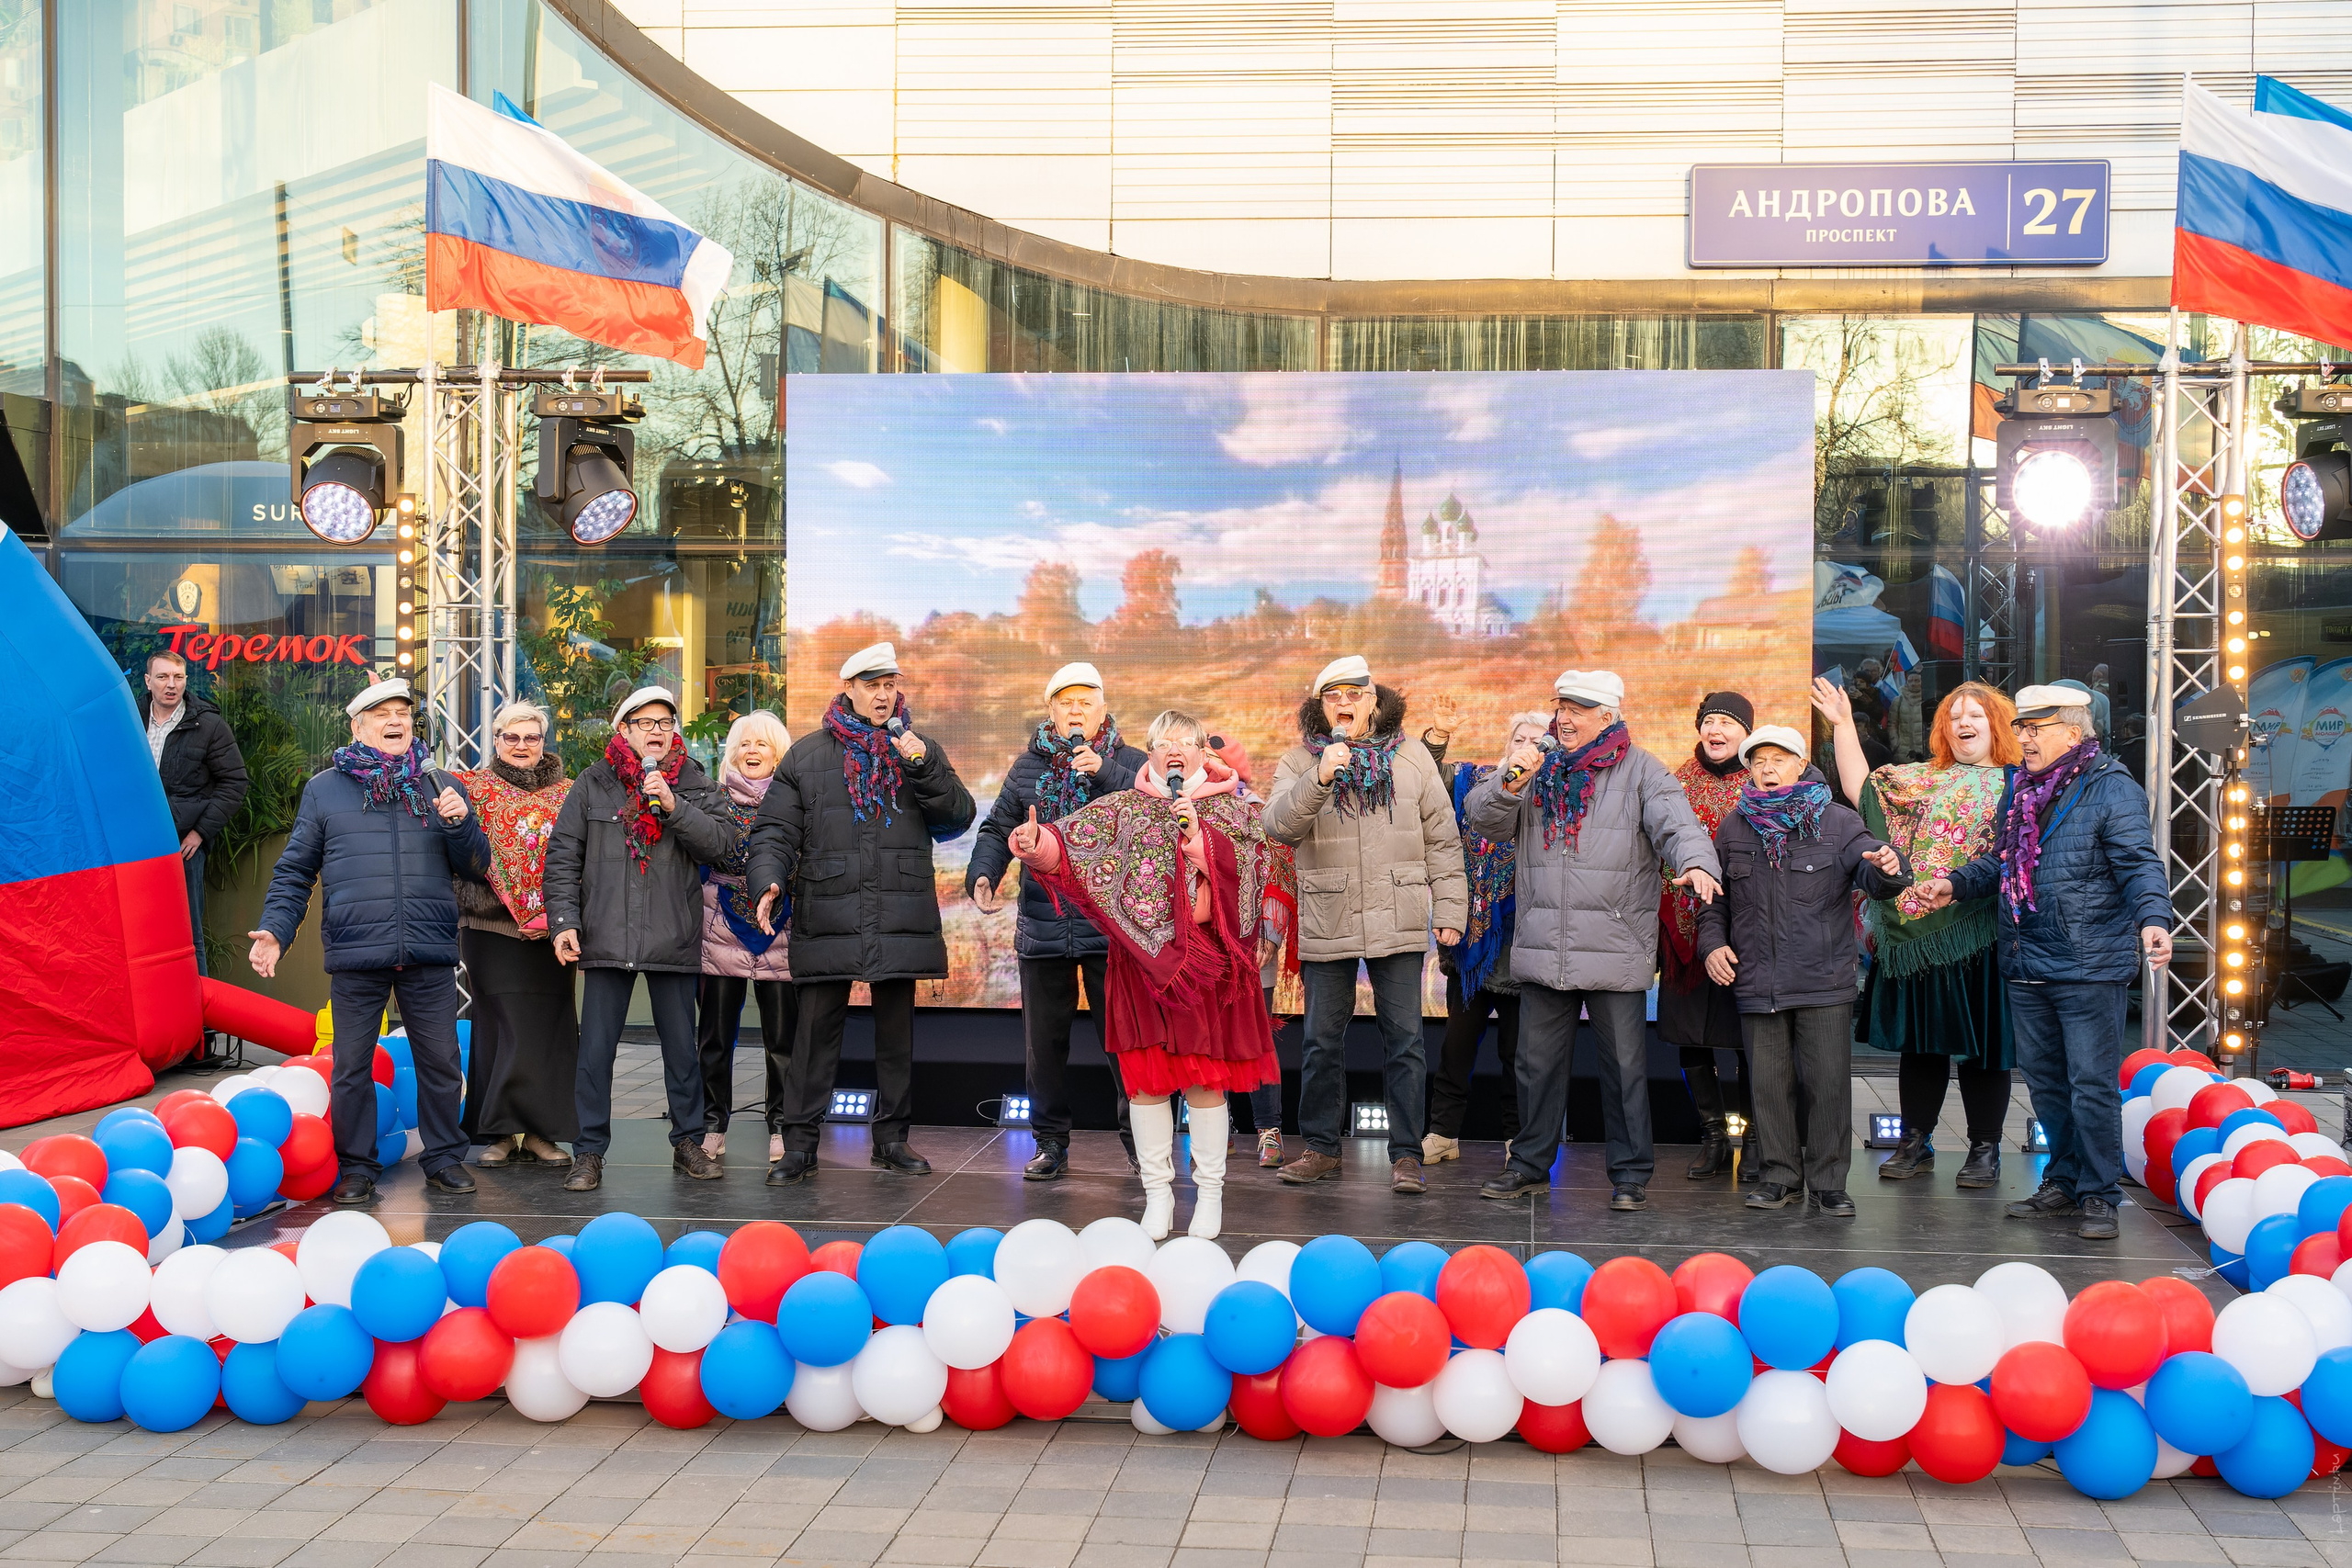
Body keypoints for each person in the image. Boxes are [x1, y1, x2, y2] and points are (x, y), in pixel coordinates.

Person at [1007, 709, 1283, 1240]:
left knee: (1205, 1084)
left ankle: (1209, 1195)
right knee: (1146, 1088)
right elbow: (1072, 848)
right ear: (1150, 754)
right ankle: (1157, 1195)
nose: (1173, 750)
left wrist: (1203, 843)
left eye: (1185, 741)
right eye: (1163, 743)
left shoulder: (1234, 809)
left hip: (1207, 970)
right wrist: (1037, 845)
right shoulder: (1123, 809)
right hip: (1141, 969)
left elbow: (1255, 868)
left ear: (1204, 751)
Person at [1923, 686, 2176, 1242]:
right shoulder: (2021, 790)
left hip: (2087, 966)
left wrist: (2154, 918)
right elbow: (2001, 860)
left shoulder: (2112, 788)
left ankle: (2100, 1195)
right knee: (2046, 1086)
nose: (2025, 738)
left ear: (2074, 730)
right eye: (2023, 728)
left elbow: (2139, 863)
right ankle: (2062, 1181)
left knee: (2091, 1085)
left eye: (2037, 728)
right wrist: (1956, 884)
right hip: (2026, 960)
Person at [1469, 670, 1723, 1211]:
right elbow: (1484, 821)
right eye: (1560, 705)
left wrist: (1697, 862)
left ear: (1608, 716)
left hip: (1613, 946)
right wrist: (1511, 779)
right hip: (1544, 946)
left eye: (1577, 709)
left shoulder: (1642, 771)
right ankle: (1530, 1165)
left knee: (1626, 1070)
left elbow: (1680, 827)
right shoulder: (1536, 766)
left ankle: (1630, 1176)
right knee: (1534, 1068)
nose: (1563, 717)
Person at [249, 678, 489, 1206]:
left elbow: (477, 868)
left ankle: (445, 1157)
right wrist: (275, 930)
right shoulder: (325, 789)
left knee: (441, 1061)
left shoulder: (440, 784)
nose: (397, 720)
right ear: (358, 728)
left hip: (427, 949)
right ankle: (357, 1166)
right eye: (383, 713)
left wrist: (460, 824)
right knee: (352, 1065)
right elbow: (295, 871)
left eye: (403, 711)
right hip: (358, 953)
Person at [751, 643, 976, 1182]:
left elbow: (958, 816)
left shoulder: (918, 750)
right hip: (828, 910)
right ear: (848, 688)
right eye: (871, 685)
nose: (882, 694)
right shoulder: (806, 756)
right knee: (815, 1034)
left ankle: (892, 1140)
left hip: (898, 910)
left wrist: (922, 767)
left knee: (896, 1037)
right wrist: (769, 880)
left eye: (890, 684)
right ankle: (800, 1145)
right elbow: (774, 832)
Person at [1264, 656, 1467, 1195]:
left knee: (1405, 1042)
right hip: (1328, 915)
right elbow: (1278, 826)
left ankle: (1405, 1156)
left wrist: (1449, 911)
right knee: (1320, 1043)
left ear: (1375, 701)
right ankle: (1321, 1148)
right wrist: (1322, 774)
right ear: (1320, 706)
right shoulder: (1298, 762)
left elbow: (1444, 839)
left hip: (1396, 915)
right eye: (1334, 696)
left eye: (1356, 693)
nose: (1345, 702)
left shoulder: (1413, 757)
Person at [1695, 726, 1911, 1215]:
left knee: (1827, 1085)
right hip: (1756, 980)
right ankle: (1780, 1177)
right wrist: (1712, 945)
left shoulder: (1836, 822)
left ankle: (1830, 1181)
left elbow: (1874, 875)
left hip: (1822, 980)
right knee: (1768, 1088)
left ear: (1800, 764)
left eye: (1777, 759)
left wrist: (1889, 866)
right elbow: (1713, 901)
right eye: (1757, 762)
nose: (1766, 770)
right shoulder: (1733, 827)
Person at [1814, 675, 2019, 1188]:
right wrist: (1842, 726)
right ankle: (1914, 1140)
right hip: (1918, 933)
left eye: (1974, 715)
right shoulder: (1922, 778)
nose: (1962, 723)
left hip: (1981, 933)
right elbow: (1863, 793)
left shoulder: (2020, 783)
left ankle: (1985, 1147)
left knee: (1986, 1048)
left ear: (1997, 724)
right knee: (1921, 1046)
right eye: (1953, 717)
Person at [545, 686, 735, 1192]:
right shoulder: (591, 783)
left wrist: (674, 807)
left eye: (665, 721)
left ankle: (688, 1143)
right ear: (623, 730)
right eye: (644, 721)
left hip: (673, 933)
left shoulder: (694, 783)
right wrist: (564, 921)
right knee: (597, 1052)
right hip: (606, 935)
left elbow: (724, 845)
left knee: (681, 1049)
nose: (656, 729)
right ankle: (588, 1153)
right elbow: (562, 856)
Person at [967, 662, 1147, 1180]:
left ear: (1103, 710)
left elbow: (1148, 814)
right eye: (1065, 702)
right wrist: (985, 873)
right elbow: (998, 825)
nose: (1075, 711)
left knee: (1126, 1044)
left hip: (1111, 928)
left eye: (1085, 702)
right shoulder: (1027, 767)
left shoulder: (1129, 763)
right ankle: (1050, 1144)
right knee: (1043, 1047)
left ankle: (1142, 1145)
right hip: (1044, 925)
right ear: (1051, 711)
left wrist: (1105, 772)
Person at [449, 699, 577, 1170]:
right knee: (495, 1025)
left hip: (553, 933)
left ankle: (543, 1133)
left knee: (551, 1027)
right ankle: (498, 1131)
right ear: (496, 741)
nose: (522, 746)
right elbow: (455, 848)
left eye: (531, 737)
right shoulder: (470, 788)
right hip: (489, 927)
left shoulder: (571, 791)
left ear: (543, 742)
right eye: (511, 737)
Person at [1421, 710, 1545, 1165]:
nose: (1528, 746)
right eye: (1521, 737)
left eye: (1538, 740)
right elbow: (1427, 780)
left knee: (1518, 1057)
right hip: (1471, 948)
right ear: (1508, 743)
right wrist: (1438, 737)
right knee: (1456, 1048)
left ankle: (1518, 1140)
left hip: (1523, 949)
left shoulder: (1552, 799)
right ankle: (1442, 1134)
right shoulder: (1473, 783)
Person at [694, 711, 797, 1180]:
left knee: (783, 1042)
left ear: (779, 754)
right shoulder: (711, 803)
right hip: (718, 928)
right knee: (715, 1037)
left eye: (763, 744)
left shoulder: (796, 804)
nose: (752, 751)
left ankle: (782, 1126)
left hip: (783, 930)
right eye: (744, 744)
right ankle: (713, 1123)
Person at [1657, 691, 1753, 1180]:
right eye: (1709, 721)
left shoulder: (1762, 780)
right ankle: (1713, 1136)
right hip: (1683, 933)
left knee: (1749, 1040)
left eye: (1728, 723)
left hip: (1747, 937)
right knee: (1690, 1039)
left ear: (1746, 732)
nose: (1716, 731)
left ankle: (1755, 1139)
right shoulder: (1674, 782)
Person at [139, 649, 248, 976]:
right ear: (148, 681)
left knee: (188, 933)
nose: (171, 685)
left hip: (183, 843)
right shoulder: (129, 718)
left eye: (178, 677)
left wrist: (200, 833)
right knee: (138, 930)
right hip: (135, 842)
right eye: (162, 677)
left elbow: (235, 783)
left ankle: (196, 1022)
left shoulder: (209, 724)